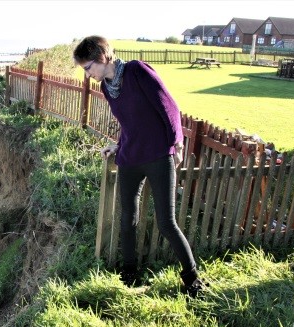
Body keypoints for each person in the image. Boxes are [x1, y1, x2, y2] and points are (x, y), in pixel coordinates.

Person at [73, 35, 204, 297]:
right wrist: (118, 145)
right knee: (127, 220)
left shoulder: (137, 71)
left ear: (102, 57)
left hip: (158, 156)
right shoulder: (106, 87)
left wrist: (176, 145)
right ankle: (130, 273)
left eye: (88, 68)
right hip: (129, 158)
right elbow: (130, 122)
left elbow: (170, 109)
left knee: (167, 223)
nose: (87, 75)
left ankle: (193, 280)